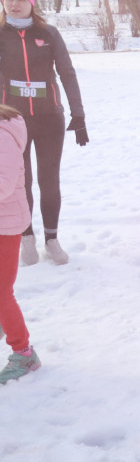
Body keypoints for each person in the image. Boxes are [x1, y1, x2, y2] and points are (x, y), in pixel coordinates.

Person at [0, 0, 87, 266]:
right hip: (12, 122)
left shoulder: (48, 33)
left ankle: (51, 238)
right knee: (18, 182)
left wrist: (78, 113)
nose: (14, 4)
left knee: (49, 180)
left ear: (31, 3)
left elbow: (67, 72)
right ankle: (26, 237)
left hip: (50, 118)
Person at [0, 104, 41, 384]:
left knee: (2, 291)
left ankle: (24, 352)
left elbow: (3, 184)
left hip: (5, 223)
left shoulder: (3, 134)